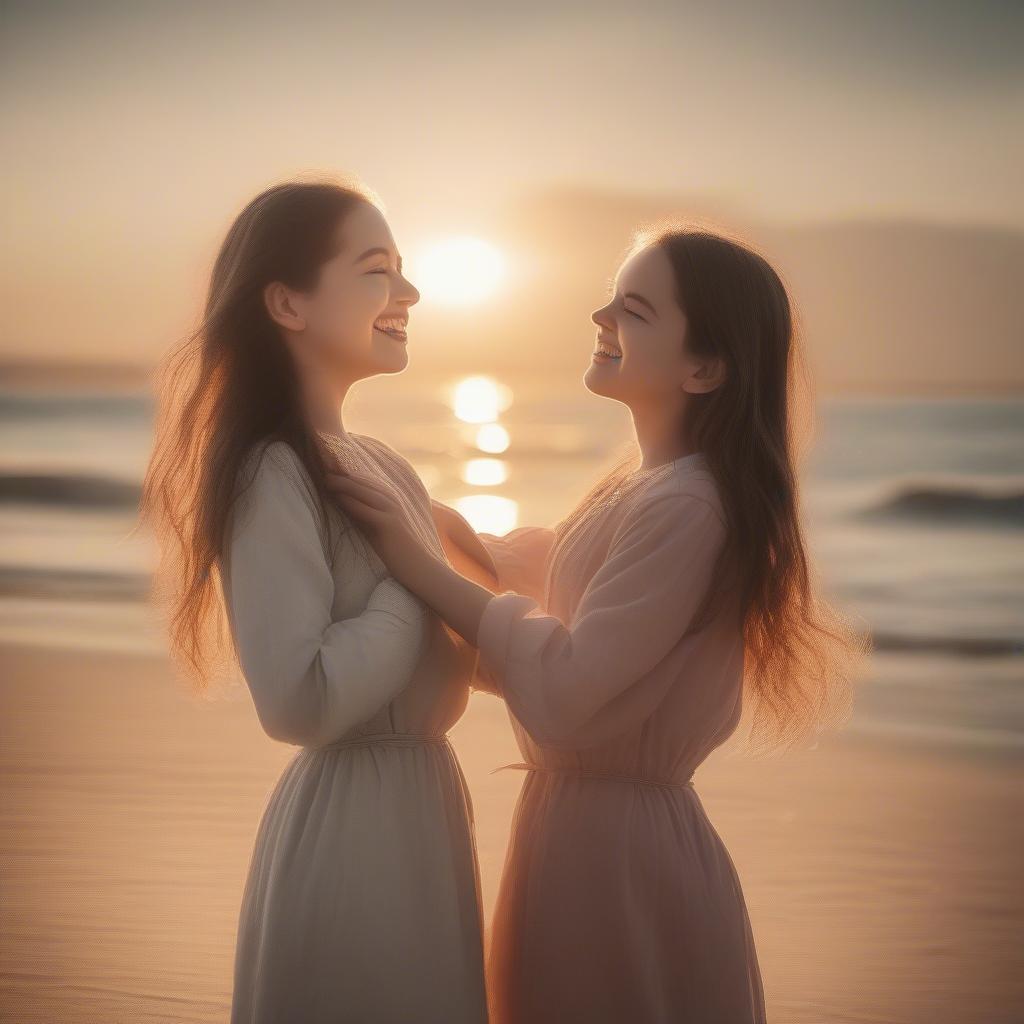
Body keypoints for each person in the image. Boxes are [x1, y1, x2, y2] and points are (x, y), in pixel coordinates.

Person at [329, 225, 860, 1023]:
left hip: (621, 864)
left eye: (634, 309)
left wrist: (419, 562)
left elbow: (569, 685)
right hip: (581, 837)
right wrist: (411, 517)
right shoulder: (646, 488)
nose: (599, 313)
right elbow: (548, 594)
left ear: (705, 368)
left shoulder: (689, 506)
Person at [141, 179, 488, 1023]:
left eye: (404, 271)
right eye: (377, 271)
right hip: (351, 840)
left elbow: (456, 653)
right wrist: (415, 583)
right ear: (287, 302)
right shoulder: (273, 472)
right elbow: (297, 700)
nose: (408, 294)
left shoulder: (385, 468)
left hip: (426, 819)